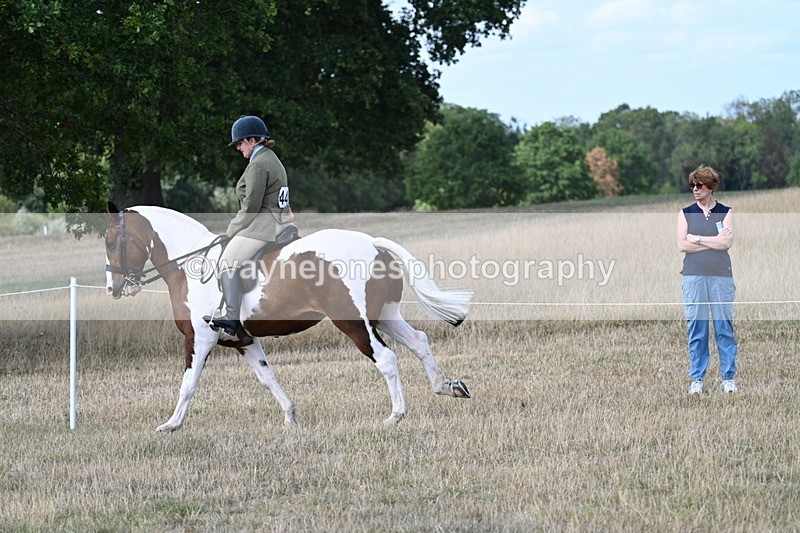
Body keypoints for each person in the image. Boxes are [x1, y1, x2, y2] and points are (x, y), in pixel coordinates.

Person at [205, 115, 296, 340]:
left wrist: (231, 230)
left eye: (240, 143)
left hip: (265, 225)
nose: (238, 147)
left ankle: (231, 317)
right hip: (281, 221)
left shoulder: (258, 165)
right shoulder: (271, 158)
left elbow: (251, 206)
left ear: (253, 140)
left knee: (227, 262)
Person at [676, 164, 738, 395]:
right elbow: (682, 244)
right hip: (693, 277)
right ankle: (697, 379)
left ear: (710, 186)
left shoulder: (725, 212)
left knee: (724, 328)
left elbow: (726, 243)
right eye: (692, 185)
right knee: (697, 330)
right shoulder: (685, 213)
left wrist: (698, 239)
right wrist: (713, 241)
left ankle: (728, 378)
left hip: (721, 276)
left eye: (699, 185)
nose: (695, 189)